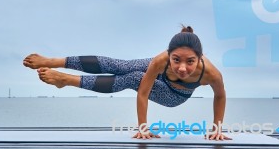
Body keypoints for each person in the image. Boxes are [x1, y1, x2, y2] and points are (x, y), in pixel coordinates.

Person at [23, 25, 230, 140]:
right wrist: (143, 127)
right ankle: (55, 61)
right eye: (176, 60)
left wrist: (217, 128)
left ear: (200, 57)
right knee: (121, 66)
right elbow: (143, 93)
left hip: (175, 95)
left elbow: (220, 95)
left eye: (190, 62)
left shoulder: (211, 74)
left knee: (133, 79)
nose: (182, 68)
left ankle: (67, 80)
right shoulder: (160, 60)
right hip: (156, 75)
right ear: (169, 55)